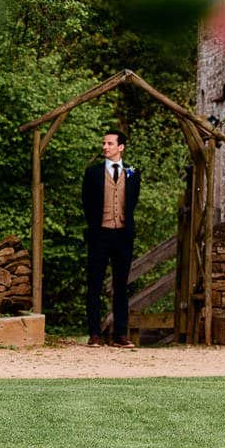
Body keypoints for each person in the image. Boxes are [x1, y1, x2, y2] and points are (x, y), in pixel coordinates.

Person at [81, 129, 140, 347]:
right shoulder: (93, 172)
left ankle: (120, 335)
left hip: (123, 236)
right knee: (94, 284)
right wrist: (96, 226)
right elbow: (86, 201)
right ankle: (94, 334)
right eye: (104, 143)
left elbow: (133, 200)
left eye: (110, 143)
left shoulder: (132, 172)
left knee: (121, 286)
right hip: (100, 235)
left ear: (121, 147)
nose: (105, 147)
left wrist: (124, 223)